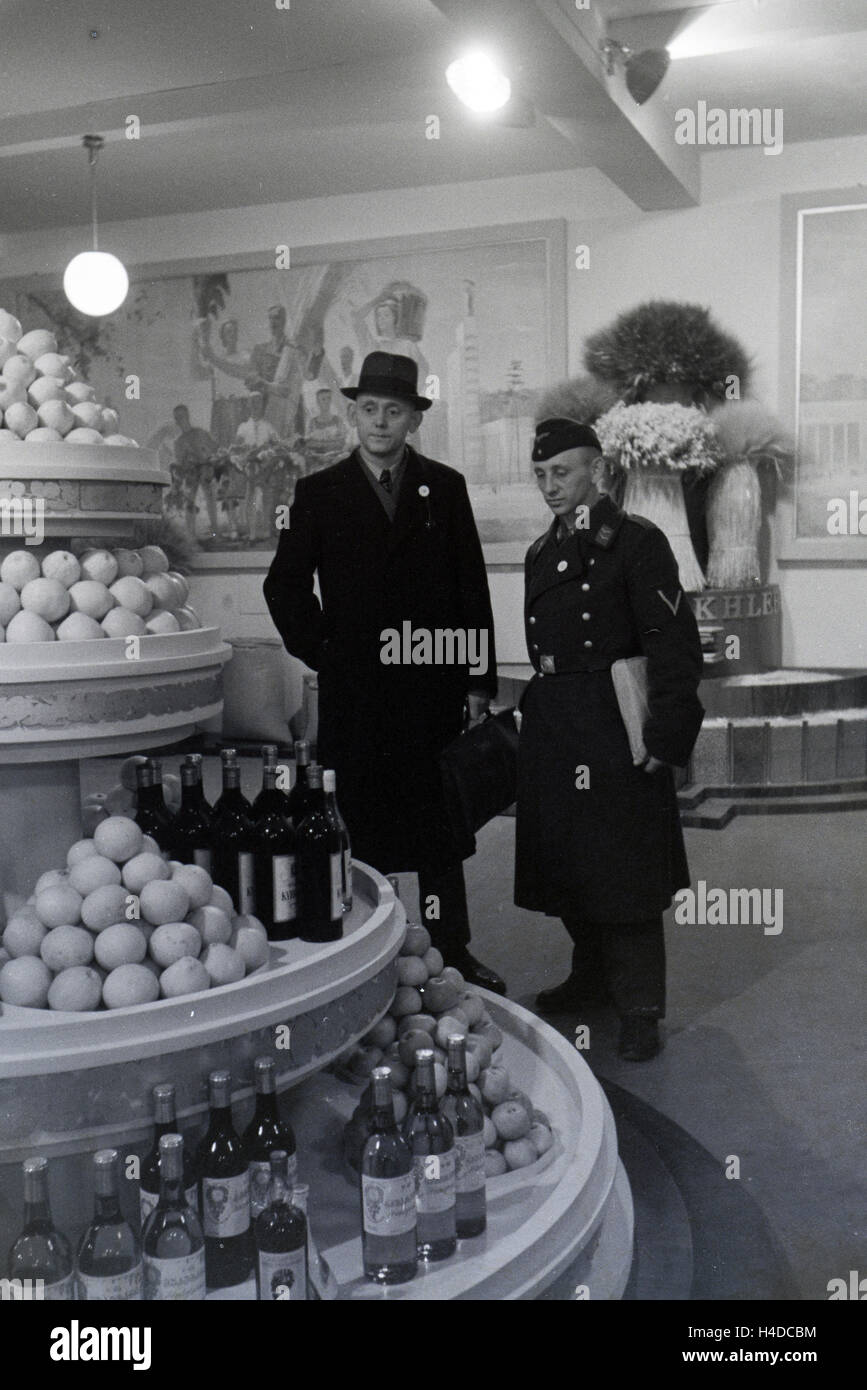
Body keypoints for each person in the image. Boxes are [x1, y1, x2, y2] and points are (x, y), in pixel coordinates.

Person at [263, 351, 506, 994]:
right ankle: (366, 956)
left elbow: (469, 588)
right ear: (354, 414)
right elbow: (284, 586)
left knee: (437, 829)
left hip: (431, 686)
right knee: (361, 823)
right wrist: (326, 650)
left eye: (393, 410)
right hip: (357, 694)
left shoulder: (445, 489)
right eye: (368, 409)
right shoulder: (318, 494)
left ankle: (452, 950)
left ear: (412, 419)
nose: (379, 422)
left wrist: (477, 678)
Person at [515, 417, 705, 1060]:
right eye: (540, 475)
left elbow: (674, 645)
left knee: (624, 871)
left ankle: (640, 1007)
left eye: (560, 472)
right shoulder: (540, 553)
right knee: (568, 862)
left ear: (597, 471)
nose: (548, 486)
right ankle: (591, 975)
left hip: (615, 726)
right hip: (557, 727)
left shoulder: (637, 543)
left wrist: (668, 733)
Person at [172, 404, 218, 539]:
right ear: (176, 421)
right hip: (190, 473)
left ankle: (215, 531)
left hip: (205, 469)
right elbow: (180, 461)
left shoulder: (201, 433)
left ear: (188, 416)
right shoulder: (179, 442)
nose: (181, 420)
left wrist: (207, 460)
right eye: (178, 418)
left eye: (182, 416)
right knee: (189, 500)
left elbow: (213, 449)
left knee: (210, 497)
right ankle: (191, 535)